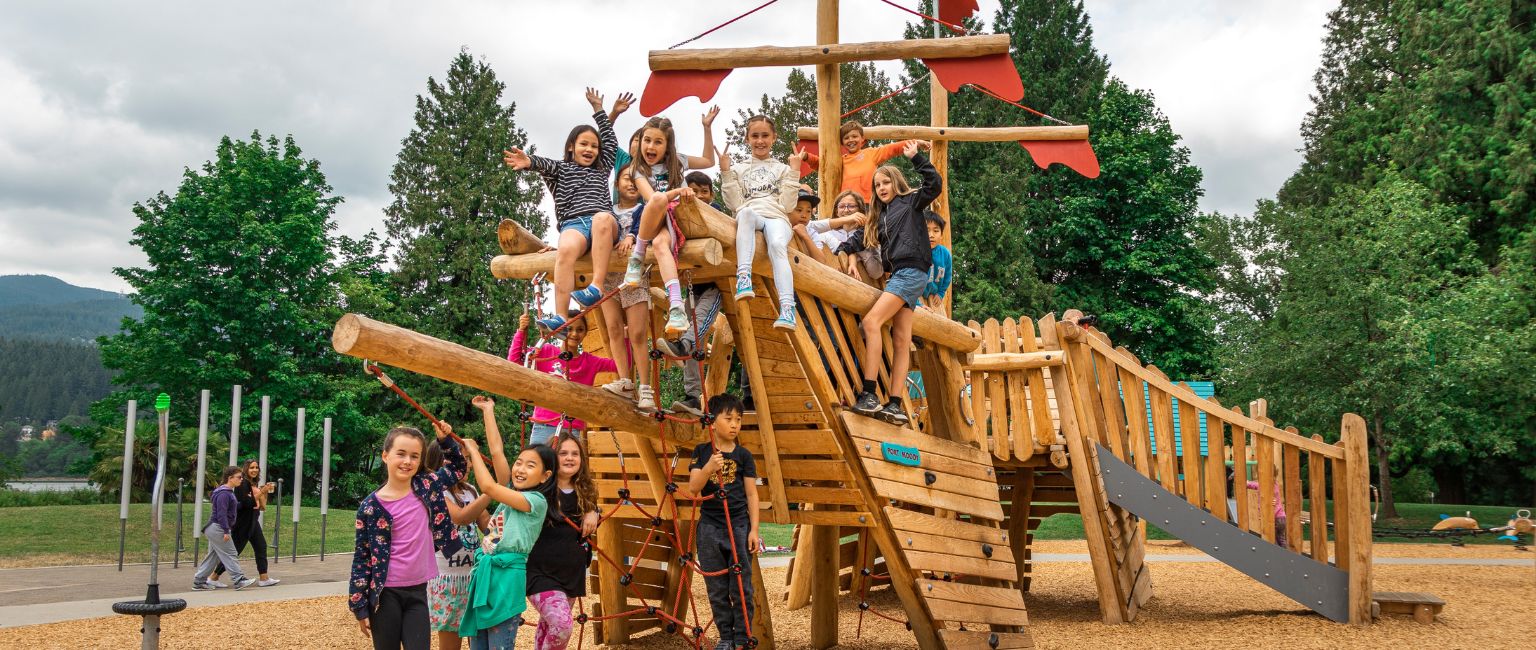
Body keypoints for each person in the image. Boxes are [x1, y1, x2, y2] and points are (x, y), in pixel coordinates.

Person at [503, 88, 622, 332]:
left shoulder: (602, 169)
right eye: (584, 145)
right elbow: (543, 164)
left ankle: (596, 287)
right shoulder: (561, 170)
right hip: (574, 224)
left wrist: (599, 110)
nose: (590, 150)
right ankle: (560, 316)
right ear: (571, 147)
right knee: (565, 249)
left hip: (603, 224)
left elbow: (610, 141)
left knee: (601, 218)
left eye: (594, 146)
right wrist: (529, 162)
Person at [841, 141, 940, 425]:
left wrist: (916, 158)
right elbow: (857, 240)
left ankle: (869, 393)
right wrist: (848, 254)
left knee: (871, 323)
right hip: (901, 276)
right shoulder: (879, 218)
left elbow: (934, 184)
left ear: (896, 183)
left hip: (911, 272)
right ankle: (894, 403)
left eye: (885, 182)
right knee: (900, 341)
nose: (881, 188)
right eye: (877, 185)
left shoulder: (910, 203)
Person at [348, 421, 468, 650]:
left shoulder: (427, 485)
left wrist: (446, 440)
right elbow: (362, 557)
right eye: (401, 454)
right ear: (385, 456)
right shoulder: (370, 507)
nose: (407, 461)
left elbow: (458, 468)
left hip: (418, 590)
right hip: (385, 594)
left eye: (415, 456)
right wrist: (358, 604)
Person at [620, 109, 720, 338]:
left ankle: (673, 301)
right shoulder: (637, 169)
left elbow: (708, 160)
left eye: (657, 142)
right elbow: (651, 199)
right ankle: (641, 263)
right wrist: (679, 190)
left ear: (667, 145)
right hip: (654, 216)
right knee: (657, 215)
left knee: (660, 244)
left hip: (675, 219)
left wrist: (706, 128)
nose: (650, 147)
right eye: (647, 140)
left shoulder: (677, 161)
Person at [457, 439, 557, 650]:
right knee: (478, 644)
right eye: (519, 462)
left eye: (531, 465)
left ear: (545, 476)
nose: (520, 469)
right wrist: (487, 409)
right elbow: (496, 451)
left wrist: (474, 452)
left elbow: (488, 486)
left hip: (507, 578)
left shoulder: (536, 501)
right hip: (486, 572)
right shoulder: (511, 497)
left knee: (499, 645)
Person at [687, 394, 762, 650]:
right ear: (712, 422)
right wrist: (709, 467)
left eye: (738, 420)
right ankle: (726, 638)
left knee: (741, 587)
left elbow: (752, 494)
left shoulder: (744, 455)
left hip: (738, 526)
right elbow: (693, 488)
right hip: (709, 527)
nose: (734, 425)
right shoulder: (702, 452)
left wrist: (754, 530)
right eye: (728, 419)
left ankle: (742, 638)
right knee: (716, 588)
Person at [722, 114, 805, 330]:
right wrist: (725, 172)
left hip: (776, 217)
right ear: (747, 139)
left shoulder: (783, 169)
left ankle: (787, 308)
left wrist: (795, 171)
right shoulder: (738, 169)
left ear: (774, 138)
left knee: (777, 245)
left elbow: (787, 206)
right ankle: (744, 277)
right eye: (755, 136)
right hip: (751, 214)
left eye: (765, 135)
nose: (760, 141)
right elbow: (734, 204)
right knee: (746, 214)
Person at [524, 432, 600, 650]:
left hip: (570, 574)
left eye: (575, 454)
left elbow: (591, 522)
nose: (569, 458)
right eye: (563, 453)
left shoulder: (585, 491)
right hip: (540, 572)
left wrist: (594, 511)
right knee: (562, 624)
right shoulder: (541, 490)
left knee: (549, 627)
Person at [598, 166, 660, 411]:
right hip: (609, 275)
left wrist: (632, 237)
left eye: (637, 179)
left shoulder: (644, 209)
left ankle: (645, 386)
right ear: (616, 184)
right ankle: (625, 381)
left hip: (633, 272)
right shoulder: (606, 212)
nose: (632, 183)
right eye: (627, 178)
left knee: (636, 332)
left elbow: (647, 228)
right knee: (613, 328)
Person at [427, 441, 494, 650]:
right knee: (450, 642)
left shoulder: (471, 491)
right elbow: (462, 517)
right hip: (448, 579)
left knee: (478, 639)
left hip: (473, 576)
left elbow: (487, 524)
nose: (469, 465)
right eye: (464, 459)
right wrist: (493, 490)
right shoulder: (436, 491)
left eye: (468, 459)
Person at [509, 311, 621, 434]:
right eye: (569, 329)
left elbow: (621, 365)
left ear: (585, 333)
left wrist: (623, 337)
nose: (574, 334)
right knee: (537, 454)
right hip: (544, 424)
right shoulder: (546, 352)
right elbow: (514, 361)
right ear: (561, 330)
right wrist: (521, 331)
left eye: (580, 329)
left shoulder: (590, 362)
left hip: (571, 427)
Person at [800, 120, 919, 201]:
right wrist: (806, 156)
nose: (851, 140)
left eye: (854, 136)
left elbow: (892, 149)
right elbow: (822, 165)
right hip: (848, 204)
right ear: (842, 143)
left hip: (869, 202)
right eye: (846, 138)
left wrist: (916, 142)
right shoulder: (840, 160)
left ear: (863, 139)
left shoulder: (870, 153)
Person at [210, 459, 278, 587]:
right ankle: (213, 577)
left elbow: (262, 507)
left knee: (261, 546)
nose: (255, 470)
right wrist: (262, 492)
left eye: (256, 467)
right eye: (252, 467)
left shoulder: (253, 484)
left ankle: (264, 578)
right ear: (246, 469)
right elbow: (245, 503)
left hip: (253, 519)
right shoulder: (242, 484)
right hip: (243, 521)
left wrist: (264, 493)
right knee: (235, 550)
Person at [192, 466, 256, 591]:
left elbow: (229, 509)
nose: (241, 480)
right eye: (238, 477)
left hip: (215, 528)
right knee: (231, 553)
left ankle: (199, 581)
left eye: (241, 477)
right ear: (230, 478)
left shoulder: (225, 492)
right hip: (218, 528)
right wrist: (226, 531)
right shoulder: (224, 494)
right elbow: (221, 514)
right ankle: (239, 580)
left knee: (213, 556)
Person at [922, 211, 952, 311]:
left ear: (941, 234)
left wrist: (941, 293)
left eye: (936, 231)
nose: (931, 235)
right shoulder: (917, 251)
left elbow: (948, 276)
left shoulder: (945, 254)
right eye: (927, 230)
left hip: (934, 298)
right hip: (917, 295)